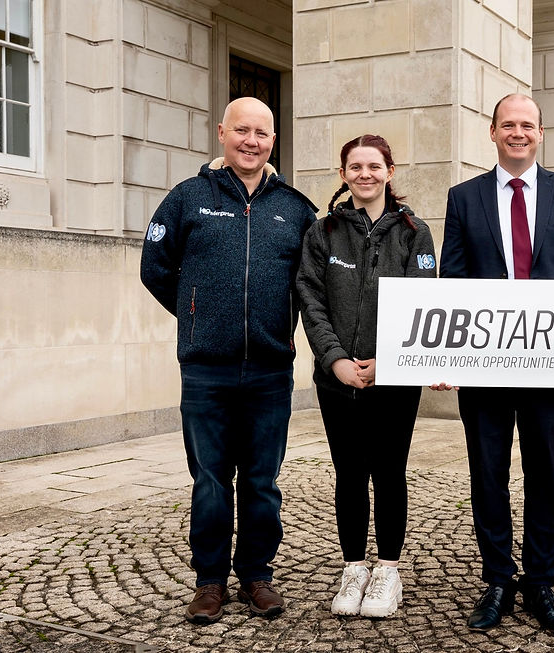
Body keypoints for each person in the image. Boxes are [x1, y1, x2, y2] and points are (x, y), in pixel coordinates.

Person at [140, 97, 317, 624]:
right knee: (211, 480)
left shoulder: (296, 207)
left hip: (269, 368)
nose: (251, 142)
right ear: (222, 132)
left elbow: (311, 284)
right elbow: (155, 267)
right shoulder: (186, 199)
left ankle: (257, 577)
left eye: (262, 133)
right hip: (205, 369)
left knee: (262, 481)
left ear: (273, 141)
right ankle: (210, 583)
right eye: (242, 131)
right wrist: (198, 315)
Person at [436, 94, 554, 633]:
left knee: (545, 476)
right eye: (509, 124)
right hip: (484, 368)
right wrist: (448, 356)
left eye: (527, 125)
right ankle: (498, 580)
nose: (518, 133)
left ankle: (541, 582)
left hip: (550, 368)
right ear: (492, 132)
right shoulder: (464, 198)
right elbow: (452, 282)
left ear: (541, 133)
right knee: (488, 475)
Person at [296, 135, 437, 618]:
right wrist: (334, 359)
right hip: (337, 378)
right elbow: (310, 298)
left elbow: (422, 300)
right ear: (343, 174)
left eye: (374, 165)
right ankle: (354, 566)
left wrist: (390, 361)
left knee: (389, 471)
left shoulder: (414, 232)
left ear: (389, 171)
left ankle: (388, 571)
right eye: (354, 166)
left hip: (395, 377)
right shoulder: (323, 232)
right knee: (349, 473)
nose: (365, 174)